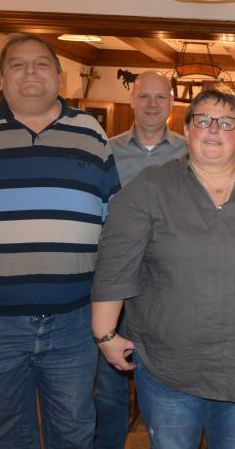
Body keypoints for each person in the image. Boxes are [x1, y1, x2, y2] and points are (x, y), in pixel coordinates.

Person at [91, 89, 235, 449]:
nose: (214, 129)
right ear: (186, 129)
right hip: (168, 365)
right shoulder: (151, 186)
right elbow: (116, 261)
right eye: (203, 121)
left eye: (226, 123)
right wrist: (104, 333)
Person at [0, 35, 119, 448]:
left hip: (73, 323)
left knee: (74, 430)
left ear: (59, 76)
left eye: (42, 63)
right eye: (17, 64)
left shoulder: (91, 132)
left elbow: (112, 222)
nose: (31, 71)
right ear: (0, 78)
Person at [94, 70, 187, 449]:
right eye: (144, 96)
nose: (152, 104)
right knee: (108, 387)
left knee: (168, 383)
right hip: (115, 280)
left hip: (168, 283)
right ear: (132, 100)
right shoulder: (105, 150)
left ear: (170, 103)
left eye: (160, 97)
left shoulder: (188, 151)